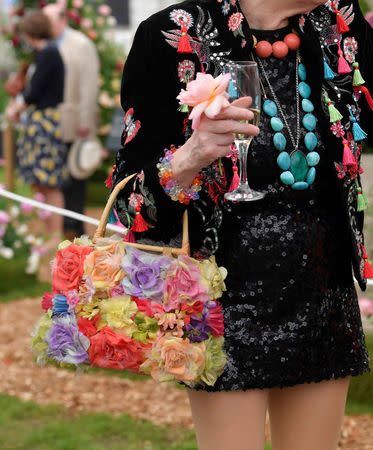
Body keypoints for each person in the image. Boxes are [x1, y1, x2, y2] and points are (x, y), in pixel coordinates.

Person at [112, 0, 373, 449]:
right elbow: (131, 202)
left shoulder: (337, 21)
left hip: (322, 293)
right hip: (224, 299)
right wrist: (190, 158)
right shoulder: (173, 35)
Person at [5, 10, 67, 248]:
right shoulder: (45, 53)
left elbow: (35, 92)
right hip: (40, 123)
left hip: (45, 124)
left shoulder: (48, 53)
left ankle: (55, 236)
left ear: (29, 33)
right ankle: (49, 233)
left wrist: (15, 108)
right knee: (40, 181)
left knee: (49, 181)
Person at [43, 3, 100, 241]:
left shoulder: (80, 44)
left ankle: (77, 230)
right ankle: (63, 228)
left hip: (76, 125)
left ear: (63, 20)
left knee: (76, 180)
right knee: (58, 182)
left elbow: (89, 85)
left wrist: (85, 122)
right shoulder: (48, 44)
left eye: (50, 21)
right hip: (52, 126)